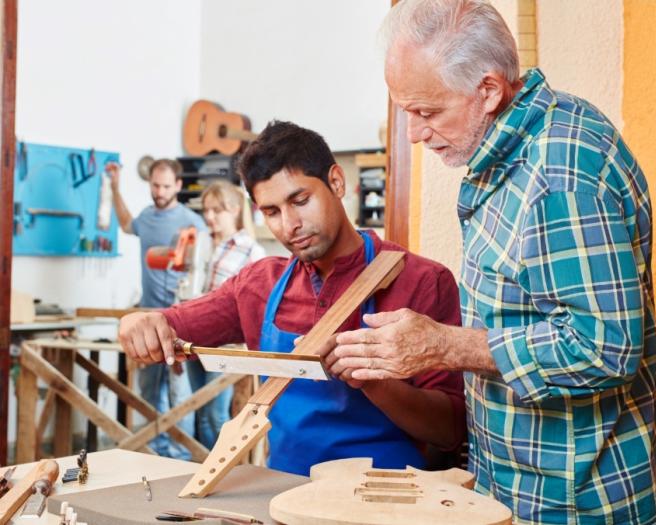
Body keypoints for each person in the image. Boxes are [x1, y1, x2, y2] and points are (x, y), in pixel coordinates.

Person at [324, 1, 656, 524]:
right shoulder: (519, 141)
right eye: (406, 110)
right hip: (524, 482)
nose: (413, 133)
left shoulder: (560, 176)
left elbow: (606, 348)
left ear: (490, 91)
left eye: (427, 112)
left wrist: (443, 344)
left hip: (577, 497)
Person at [117, 120, 467, 476]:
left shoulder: (422, 281)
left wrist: (371, 380)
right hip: (282, 493)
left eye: (300, 201)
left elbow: (448, 431)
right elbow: (171, 323)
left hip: (386, 500)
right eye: (271, 212)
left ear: (336, 182)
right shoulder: (258, 284)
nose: (289, 225)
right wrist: (142, 323)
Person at [108, 158, 207, 460]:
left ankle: (182, 459)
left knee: (180, 398)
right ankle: (157, 458)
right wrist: (114, 186)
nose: (160, 191)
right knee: (150, 396)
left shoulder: (194, 222)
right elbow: (126, 223)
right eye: (155, 185)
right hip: (148, 319)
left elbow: (203, 265)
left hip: (181, 320)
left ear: (178, 185)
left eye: (166, 186)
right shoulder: (146, 218)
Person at [187, 180, 265, 449]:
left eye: (216, 211)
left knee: (215, 414)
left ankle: (216, 472)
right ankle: (198, 468)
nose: (209, 217)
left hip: (226, 344)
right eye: (206, 211)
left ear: (233, 210)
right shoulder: (203, 244)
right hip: (195, 337)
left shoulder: (251, 250)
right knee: (197, 408)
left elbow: (255, 302)